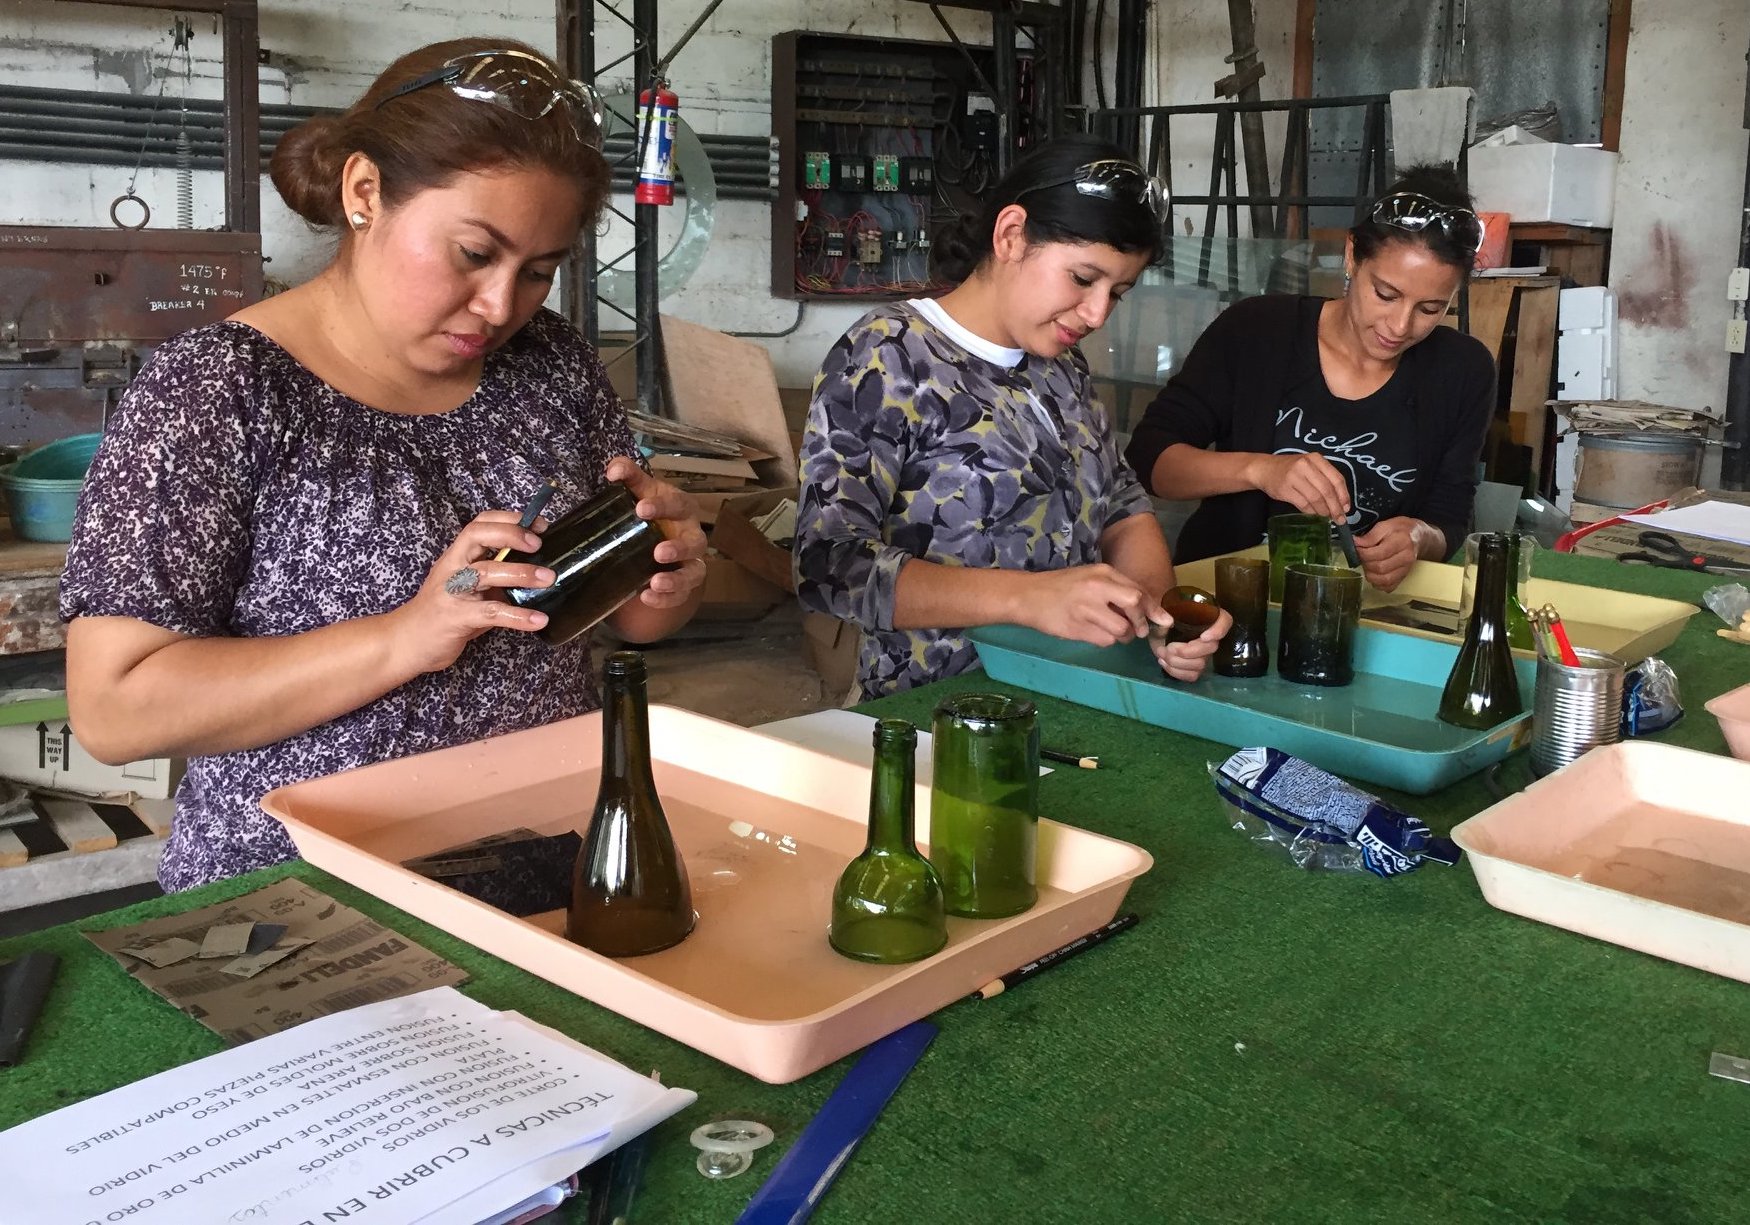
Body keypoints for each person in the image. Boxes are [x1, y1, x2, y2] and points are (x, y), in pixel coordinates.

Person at [60, 38, 708, 891]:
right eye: (475, 254)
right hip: (304, 893)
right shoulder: (220, 389)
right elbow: (116, 707)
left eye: (539, 272)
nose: (500, 305)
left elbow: (624, 623)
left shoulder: (550, 363)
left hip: (548, 855)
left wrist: (664, 573)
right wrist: (406, 636)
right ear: (365, 192)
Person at [794, 135, 1229, 701]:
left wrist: (1157, 614)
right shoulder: (888, 355)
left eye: (1117, 292)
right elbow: (830, 566)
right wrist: (1029, 598)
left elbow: (1121, 504)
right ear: (1011, 235)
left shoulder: (1060, 362)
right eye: (1082, 278)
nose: (1097, 313)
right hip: (942, 709)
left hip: (1077, 690)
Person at [1124, 166, 1497, 592]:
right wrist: (1261, 470)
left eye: (1430, 309)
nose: (1399, 325)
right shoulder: (1258, 331)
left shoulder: (1463, 371)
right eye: (1386, 295)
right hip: (1228, 601)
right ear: (1352, 255)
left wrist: (1418, 538)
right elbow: (1149, 460)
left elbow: (1450, 514)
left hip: (1361, 607)